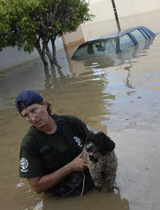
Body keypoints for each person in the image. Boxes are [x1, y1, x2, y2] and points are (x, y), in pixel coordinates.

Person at [15, 90, 94, 197]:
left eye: (34, 110)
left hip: (94, 185)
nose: (33, 118)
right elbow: (37, 187)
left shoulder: (71, 122)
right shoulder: (29, 144)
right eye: (26, 116)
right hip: (63, 198)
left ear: (44, 104)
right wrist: (70, 167)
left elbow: (99, 143)